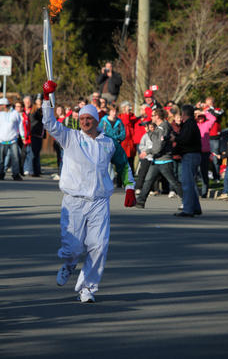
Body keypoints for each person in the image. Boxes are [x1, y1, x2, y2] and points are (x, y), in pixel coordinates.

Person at [42, 80, 136, 303]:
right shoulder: (70, 137)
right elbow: (49, 122)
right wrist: (46, 98)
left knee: (99, 245)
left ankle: (88, 288)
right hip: (73, 201)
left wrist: (130, 187)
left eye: (89, 119)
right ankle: (69, 264)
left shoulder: (109, 143)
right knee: (72, 248)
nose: (84, 122)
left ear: (96, 121)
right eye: (82, 119)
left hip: (99, 202)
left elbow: (123, 165)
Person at [136, 108, 183, 209]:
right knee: (148, 180)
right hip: (157, 160)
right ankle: (140, 201)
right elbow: (155, 140)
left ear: (157, 116)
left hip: (164, 160)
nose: (151, 117)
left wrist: (147, 152)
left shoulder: (163, 127)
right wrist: (149, 132)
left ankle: (186, 201)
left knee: (173, 182)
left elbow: (158, 147)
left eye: (153, 115)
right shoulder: (159, 127)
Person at [170, 104, 202, 217]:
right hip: (192, 154)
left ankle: (188, 209)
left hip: (190, 155)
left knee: (187, 183)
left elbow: (185, 140)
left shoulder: (189, 125)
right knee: (190, 183)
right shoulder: (190, 124)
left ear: (184, 114)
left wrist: (175, 138)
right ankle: (196, 207)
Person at [0, 97, 24, 181]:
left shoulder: (15, 113)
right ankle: (1, 173)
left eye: (0, 105)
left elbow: (20, 125)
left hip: (13, 140)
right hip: (2, 141)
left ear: (5, 105)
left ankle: (15, 174)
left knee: (15, 158)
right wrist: (0, 136)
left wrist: (22, 136)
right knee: (1, 158)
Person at [194, 108, 216, 198]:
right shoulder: (194, 125)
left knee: (204, 172)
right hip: (196, 151)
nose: (200, 119)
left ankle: (204, 192)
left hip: (205, 152)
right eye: (199, 117)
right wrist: (195, 115)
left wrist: (204, 112)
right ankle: (194, 191)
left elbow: (213, 119)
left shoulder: (207, 124)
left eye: (202, 117)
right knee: (194, 172)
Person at [30, 95, 44, 177]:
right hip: (34, 134)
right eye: (38, 100)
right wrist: (39, 108)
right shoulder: (34, 111)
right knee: (34, 153)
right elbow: (36, 118)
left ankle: (37, 170)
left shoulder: (41, 110)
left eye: (40, 100)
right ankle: (34, 171)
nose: (40, 102)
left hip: (40, 134)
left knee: (37, 153)